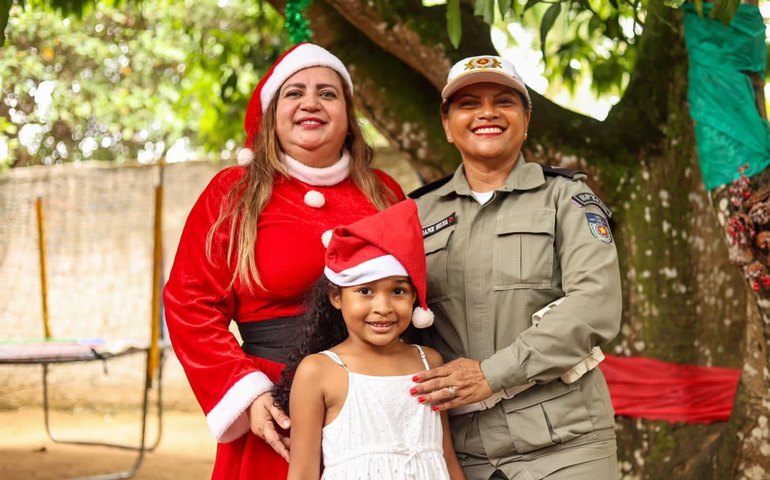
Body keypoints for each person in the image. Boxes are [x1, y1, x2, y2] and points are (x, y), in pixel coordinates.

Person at [163, 42, 405, 479]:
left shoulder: (384, 193)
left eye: (327, 93)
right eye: (294, 92)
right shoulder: (233, 193)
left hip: (371, 395)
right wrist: (249, 395)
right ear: (272, 113)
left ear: (348, 117)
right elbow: (188, 303)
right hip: (279, 403)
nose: (310, 102)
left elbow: (417, 293)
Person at [408, 55, 622, 479]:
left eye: (503, 101)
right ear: (447, 125)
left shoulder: (566, 199)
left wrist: (492, 374)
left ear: (526, 120)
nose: (487, 112)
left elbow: (594, 305)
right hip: (459, 450)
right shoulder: (414, 214)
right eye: (469, 103)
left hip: (565, 442)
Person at [272, 199, 466, 480]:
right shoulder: (318, 372)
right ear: (336, 297)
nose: (383, 307)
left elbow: (446, 456)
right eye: (365, 291)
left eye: (398, 291)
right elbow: (302, 473)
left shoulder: (429, 361)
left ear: (414, 297)